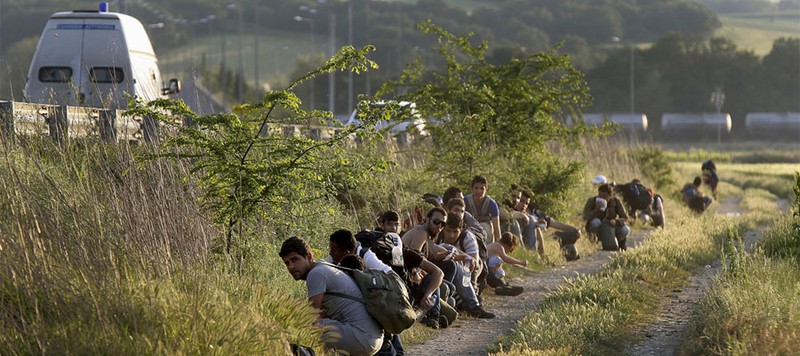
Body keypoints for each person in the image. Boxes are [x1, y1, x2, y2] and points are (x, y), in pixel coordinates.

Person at [279, 236, 383, 355]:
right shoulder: (325, 267)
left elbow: (310, 317)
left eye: (295, 259)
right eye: (287, 263)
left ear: (308, 257)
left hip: (362, 338)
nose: (291, 267)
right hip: (373, 338)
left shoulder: (316, 274)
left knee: (304, 324)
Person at [402, 207, 495, 319]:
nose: (439, 226)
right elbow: (415, 261)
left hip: (418, 278)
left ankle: (457, 303)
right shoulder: (420, 232)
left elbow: (435, 253)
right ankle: (470, 306)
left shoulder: (427, 234)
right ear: (427, 219)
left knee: (450, 271)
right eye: (436, 222)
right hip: (411, 280)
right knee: (446, 280)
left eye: (442, 224)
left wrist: (462, 256)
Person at [583, 183, 630, 250]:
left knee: (625, 229)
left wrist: (616, 222)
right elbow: (585, 217)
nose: (601, 198)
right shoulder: (592, 201)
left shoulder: (616, 202)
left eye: (604, 196)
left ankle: (616, 242)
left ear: (610, 196)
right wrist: (596, 209)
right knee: (595, 222)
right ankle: (593, 243)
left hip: (610, 229)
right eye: (599, 195)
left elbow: (625, 218)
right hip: (598, 228)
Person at [464, 175, 502, 243]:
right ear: (472, 189)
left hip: (486, 232)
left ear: (486, 190)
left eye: (482, 188)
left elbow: (497, 228)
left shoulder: (491, 203)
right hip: (469, 230)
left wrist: (498, 245)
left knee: (484, 226)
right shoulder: (466, 201)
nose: (479, 191)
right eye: (476, 188)